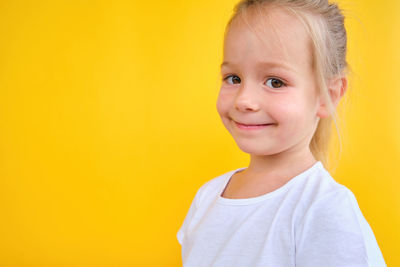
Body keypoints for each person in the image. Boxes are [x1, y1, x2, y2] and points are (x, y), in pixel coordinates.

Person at [177, 0, 386, 266]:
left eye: (275, 82)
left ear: (327, 95)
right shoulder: (207, 197)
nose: (244, 100)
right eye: (234, 78)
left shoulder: (325, 210)